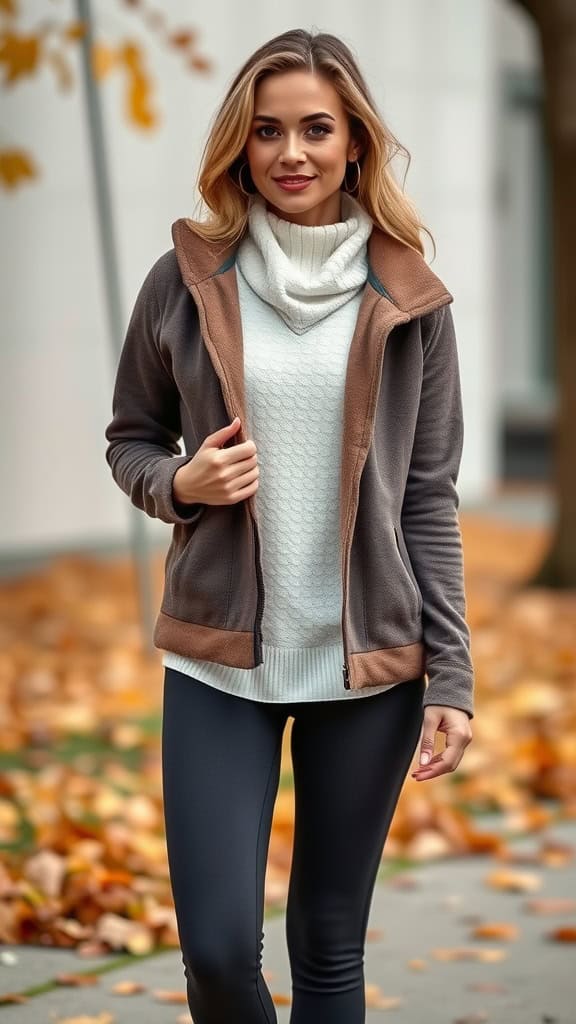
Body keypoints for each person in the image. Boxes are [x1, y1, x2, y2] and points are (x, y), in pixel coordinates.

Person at [104, 27, 474, 1024]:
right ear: (241, 145)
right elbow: (130, 437)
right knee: (220, 952)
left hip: (370, 667)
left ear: (354, 140)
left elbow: (428, 496)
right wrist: (184, 482)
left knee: (326, 945)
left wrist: (453, 675)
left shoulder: (411, 299)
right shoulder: (184, 280)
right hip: (222, 661)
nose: (291, 153)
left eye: (316, 128)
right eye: (267, 131)